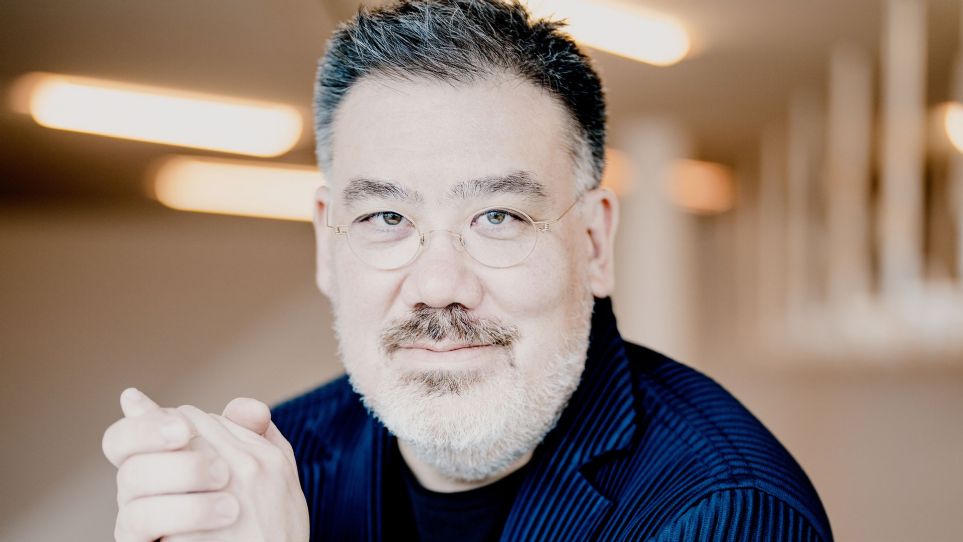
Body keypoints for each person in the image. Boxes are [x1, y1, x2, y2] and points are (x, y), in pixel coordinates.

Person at [101, 0, 833, 540]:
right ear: (327, 245)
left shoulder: (725, 509)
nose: (438, 287)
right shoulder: (277, 464)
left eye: (498, 217)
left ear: (594, 242)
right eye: (386, 218)